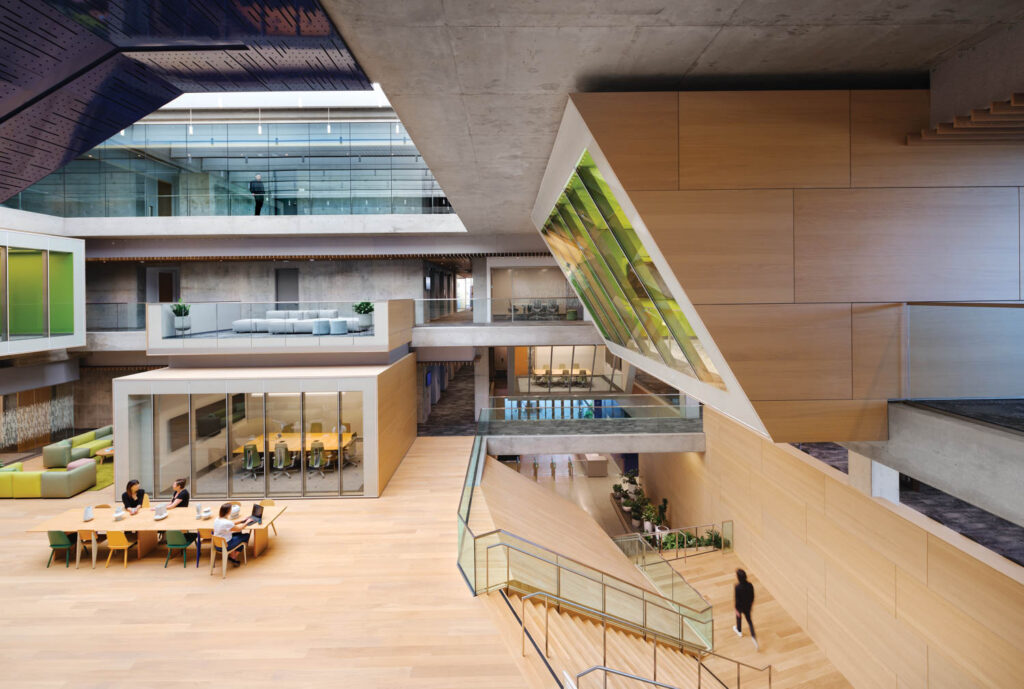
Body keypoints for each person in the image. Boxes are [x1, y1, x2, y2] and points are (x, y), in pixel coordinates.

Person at [733, 568, 758, 650]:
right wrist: (751, 604)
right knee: (749, 621)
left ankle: (739, 630)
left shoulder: (737, 587)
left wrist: (736, 608)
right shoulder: (750, 585)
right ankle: (753, 636)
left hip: (740, 606)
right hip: (747, 606)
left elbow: (737, 599)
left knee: (738, 617)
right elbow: (752, 596)